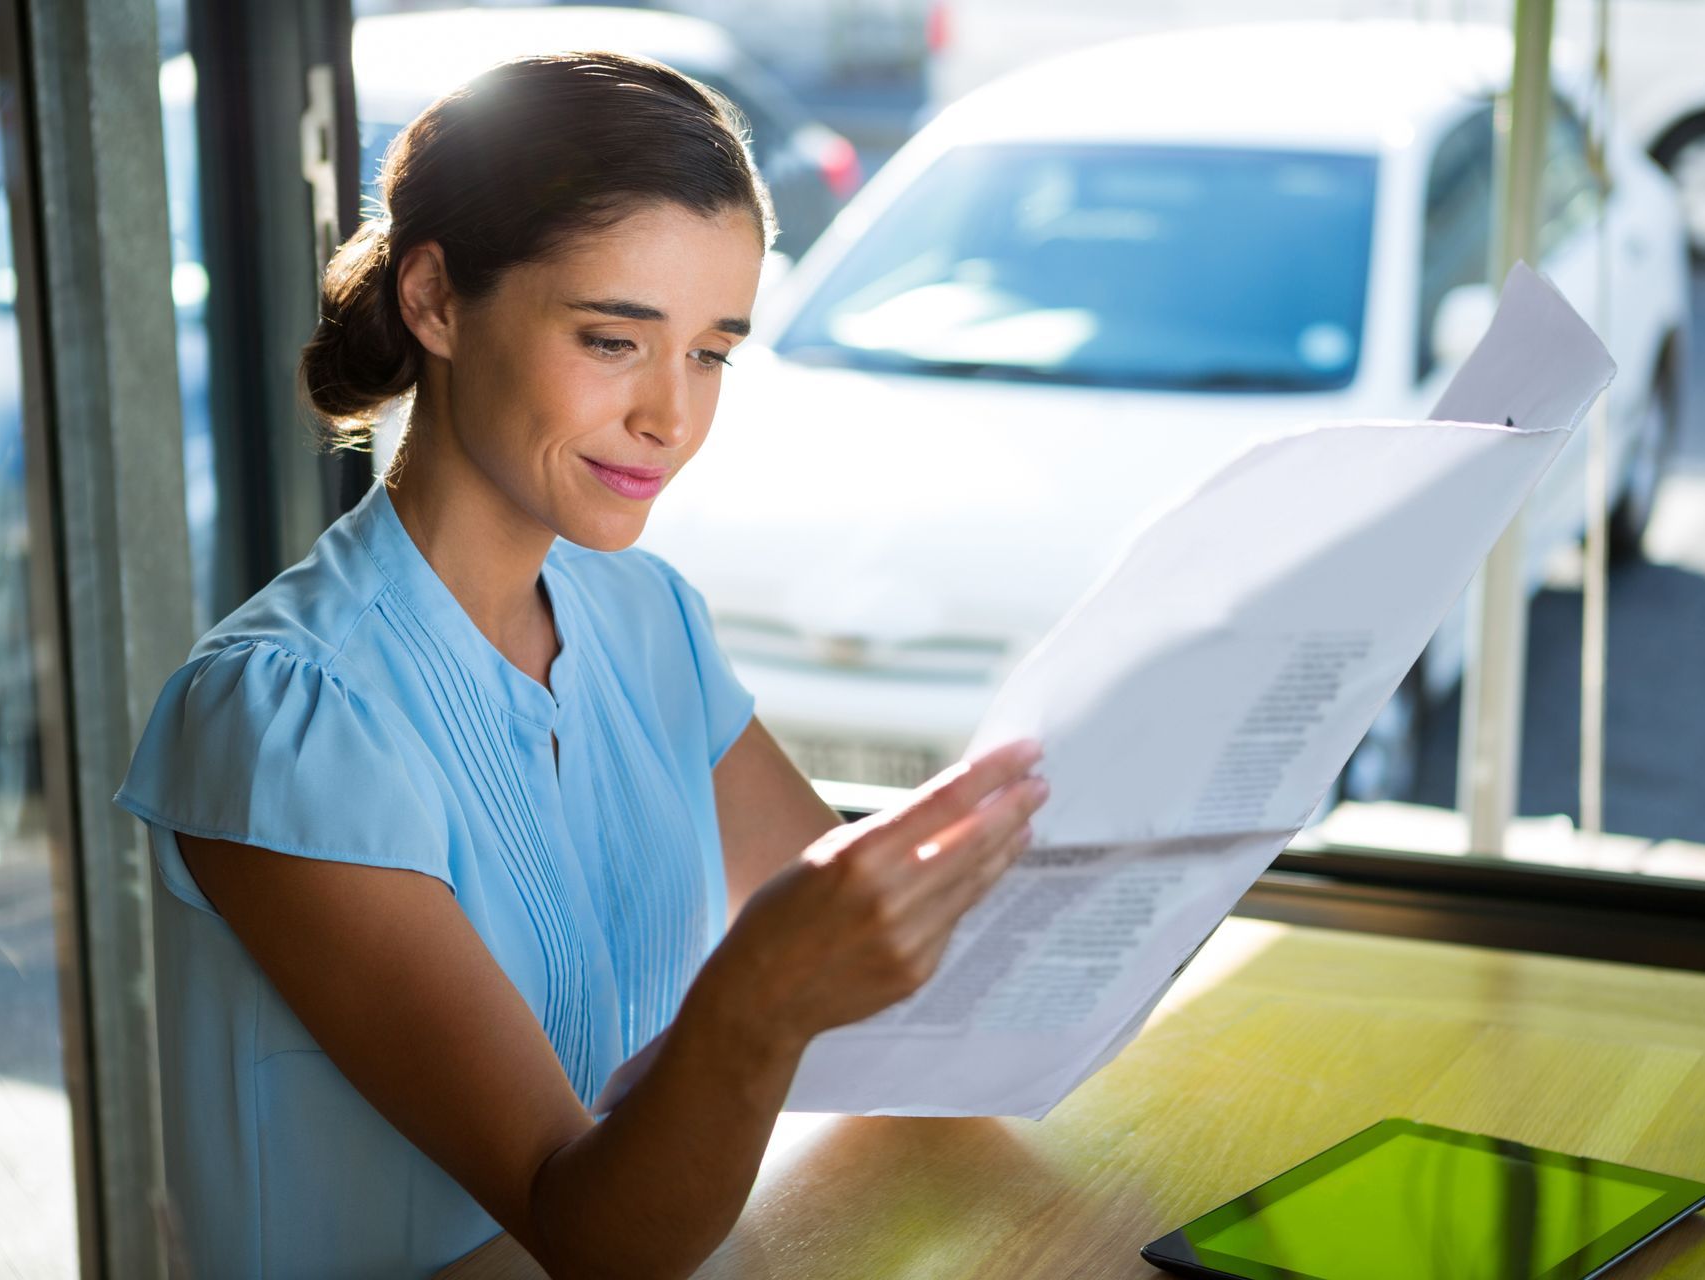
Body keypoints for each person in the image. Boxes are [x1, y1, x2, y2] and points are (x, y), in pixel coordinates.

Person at [114, 52, 1048, 1279]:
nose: (672, 417)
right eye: (614, 339)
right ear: (436, 301)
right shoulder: (286, 714)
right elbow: (593, 1234)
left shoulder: (647, 618)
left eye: (710, 353)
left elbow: (891, 981)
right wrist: (757, 999)